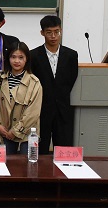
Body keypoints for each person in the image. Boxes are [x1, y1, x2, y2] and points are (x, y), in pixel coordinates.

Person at [30, 15, 79, 155]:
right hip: (41, 110)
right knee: (40, 151)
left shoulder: (71, 55)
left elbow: (71, 80)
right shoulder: (33, 55)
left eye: (56, 32)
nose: (53, 36)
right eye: (49, 32)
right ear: (42, 33)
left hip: (63, 110)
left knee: (64, 151)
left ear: (61, 31)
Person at [0, 42, 42, 154]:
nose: (17, 61)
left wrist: (15, 131)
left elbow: (33, 112)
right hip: (4, 132)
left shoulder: (34, 82)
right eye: (13, 57)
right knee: (5, 163)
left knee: (26, 163)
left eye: (21, 57)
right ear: (8, 59)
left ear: (26, 59)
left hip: (27, 134)